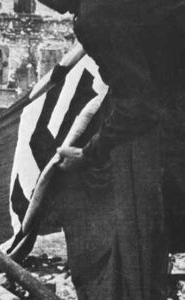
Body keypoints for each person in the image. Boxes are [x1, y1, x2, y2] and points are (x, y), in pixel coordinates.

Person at [38, 0, 185, 299]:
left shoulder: (94, 16)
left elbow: (140, 107)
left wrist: (89, 153)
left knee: (140, 218)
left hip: (164, 112)